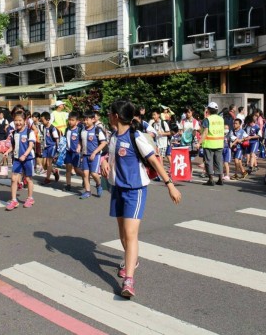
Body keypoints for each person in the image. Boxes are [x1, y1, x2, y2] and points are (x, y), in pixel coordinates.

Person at [100, 100, 181, 298]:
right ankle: (132, 260)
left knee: (130, 234)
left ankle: (128, 280)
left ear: (116, 116)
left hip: (135, 191)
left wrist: (169, 184)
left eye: (110, 113)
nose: (108, 116)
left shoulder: (135, 136)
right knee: (122, 235)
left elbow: (154, 160)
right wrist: (104, 162)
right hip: (117, 190)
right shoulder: (112, 137)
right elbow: (109, 156)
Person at [4, 112, 36, 210]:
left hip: (28, 159)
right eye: (16, 120)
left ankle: (30, 198)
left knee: (28, 179)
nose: (18, 123)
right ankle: (14, 200)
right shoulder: (14, 133)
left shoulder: (29, 132)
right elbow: (13, 146)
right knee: (13, 179)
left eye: (20, 120)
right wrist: (7, 151)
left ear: (25, 121)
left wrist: (25, 155)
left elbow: (31, 145)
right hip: (17, 159)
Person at [79, 111, 108, 199]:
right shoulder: (82, 130)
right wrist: (79, 148)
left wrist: (95, 152)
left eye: (87, 119)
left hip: (95, 155)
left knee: (94, 173)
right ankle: (88, 191)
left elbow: (103, 143)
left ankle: (98, 185)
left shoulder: (97, 130)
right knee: (85, 173)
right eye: (84, 120)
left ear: (93, 119)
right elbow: (80, 141)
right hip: (85, 155)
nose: (85, 121)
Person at [200, 102, 225, 186]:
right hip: (219, 143)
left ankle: (211, 180)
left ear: (209, 110)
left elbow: (205, 132)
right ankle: (220, 179)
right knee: (219, 161)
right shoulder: (221, 119)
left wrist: (199, 142)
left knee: (209, 161)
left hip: (209, 144)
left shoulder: (208, 119)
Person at [64, 111, 84, 192]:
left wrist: (79, 147)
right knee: (68, 168)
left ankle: (84, 177)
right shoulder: (67, 130)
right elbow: (65, 140)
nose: (70, 122)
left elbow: (81, 141)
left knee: (76, 170)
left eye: (72, 120)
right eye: (69, 120)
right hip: (68, 151)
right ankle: (68, 185)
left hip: (76, 153)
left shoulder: (79, 130)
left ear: (77, 121)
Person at [40, 112, 60, 185]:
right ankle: (55, 172)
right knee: (44, 164)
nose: (42, 122)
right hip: (46, 147)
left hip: (52, 147)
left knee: (48, 163)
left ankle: (47, 179)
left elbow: (56, 138)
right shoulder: (43, 127)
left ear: (48, 119)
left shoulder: (52, 128)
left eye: (43, 120)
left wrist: (57, 148)